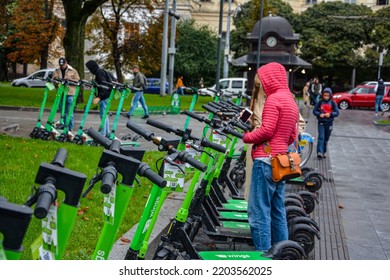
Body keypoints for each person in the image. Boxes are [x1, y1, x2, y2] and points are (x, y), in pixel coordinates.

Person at [242, 62, 299, 251]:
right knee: (277, 210)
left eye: (263, 82)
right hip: (280, 161)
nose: (263, 86)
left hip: (265, 160)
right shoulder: (290, 100)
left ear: (270, 80)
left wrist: (247, 137)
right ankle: (282, 251)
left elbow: (266, 131)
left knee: (258, 211)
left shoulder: (273, 100)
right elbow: (292, 135)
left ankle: (263, 254)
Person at [52, 57, 80, 131]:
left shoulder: (73, 71)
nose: (62, 66)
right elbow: (53, 80)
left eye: (63, 65)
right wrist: (56, 80)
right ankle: (64, 126)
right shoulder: (57, 71)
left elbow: (77, 81)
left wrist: (68, 80)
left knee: (69, 112)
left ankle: (70, 128)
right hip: (60, 93)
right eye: (61, 65)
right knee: (62, 111)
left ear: (66, 63)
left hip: (70, 93)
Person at [85, 60, 111, 137]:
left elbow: (104, 86)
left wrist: (99, 97)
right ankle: (106, 132)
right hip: (106, 95)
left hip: (104, 96)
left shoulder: (99, 73)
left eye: (89, 68)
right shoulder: (100, 71)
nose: (89, 70)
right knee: (104, 115)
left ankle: (103, 133)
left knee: (103, 115)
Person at [313, 87, 339, 159]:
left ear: (330, 95)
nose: (326, 97)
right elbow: (314, 111)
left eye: (328, 95)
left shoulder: (333, 103)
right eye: (325, 95)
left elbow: (337, 112)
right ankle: (319, 152)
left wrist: (330, 114)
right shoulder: (320, 102)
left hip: (329, 123)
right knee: (321, 137)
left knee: (326, 138)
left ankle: (324, 151)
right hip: (321, 122)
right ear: (322, 95)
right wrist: (319, 114)